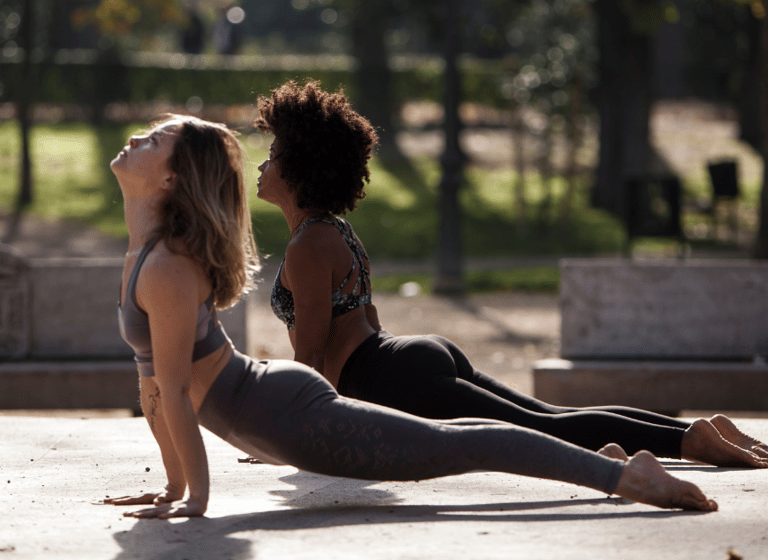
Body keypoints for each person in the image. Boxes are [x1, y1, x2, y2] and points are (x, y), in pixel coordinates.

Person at [104, 112, 717, 519]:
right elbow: (154, 383)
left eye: (155, 140)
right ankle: (604, 462)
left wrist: (195, 500)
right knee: (477, 435)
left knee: (454, 448)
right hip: (290, 400)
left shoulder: (171, 267)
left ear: (172, 177)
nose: (136, 139)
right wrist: (174, 487)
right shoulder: (150, 257)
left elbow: (179, 391)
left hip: (287, 408)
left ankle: (628, 478)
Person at [253, 80, 768, 469]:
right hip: (406, 357)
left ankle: (689, 441)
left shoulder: (307, 245)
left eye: (272, 156)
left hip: (391, 378)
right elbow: (366, 321)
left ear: (298, 170)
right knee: (547, 417)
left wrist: (296, 439)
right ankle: (692, 430)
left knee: (545, 429)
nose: (261, 166)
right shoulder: (336, 232)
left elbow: (310, 359)